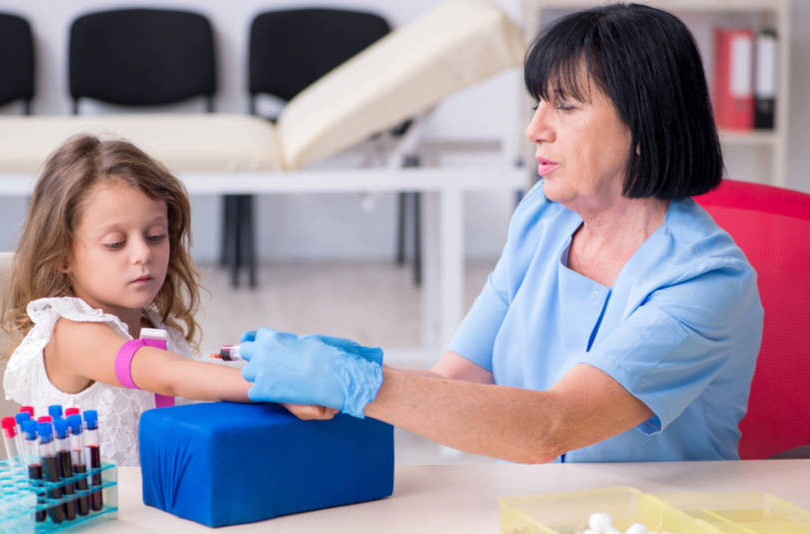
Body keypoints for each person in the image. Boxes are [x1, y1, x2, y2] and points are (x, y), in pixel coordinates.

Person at [238, 3, 764, 463]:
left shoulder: (705, 282)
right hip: (529, 506)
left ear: (646, 125)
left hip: (648, 520)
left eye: (565, 105)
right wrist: (340, 377)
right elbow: (458, 379)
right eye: (536, 103)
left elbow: (553, 427)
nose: (534, 129)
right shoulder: (543, 217)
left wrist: (360, 385)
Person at [0, 134, 334, 466]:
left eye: (156, 236)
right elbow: (166, 375)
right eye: (116, 243)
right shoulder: (72, 332)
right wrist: (274, 386)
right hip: (89, 516)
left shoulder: (157, 329)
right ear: (62, 255)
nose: (143, 253)